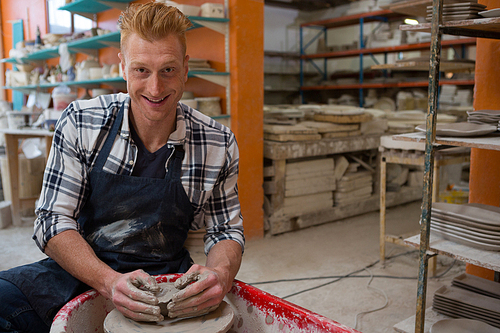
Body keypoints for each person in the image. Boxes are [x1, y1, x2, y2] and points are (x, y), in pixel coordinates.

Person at [0, 2, 244, 332]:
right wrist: (109, 281)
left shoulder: (217, 142)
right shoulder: (82, 122)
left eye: (168, 70)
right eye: (141, 70)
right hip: (79, 268)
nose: (155, 89)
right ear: (123, 67)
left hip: (162, 275)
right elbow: (51, 220)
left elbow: (225, 231)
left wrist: (220, 275)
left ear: (186, 68)